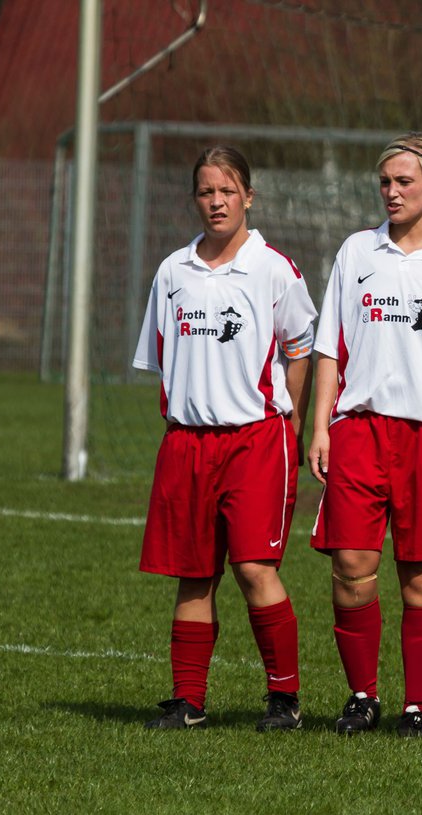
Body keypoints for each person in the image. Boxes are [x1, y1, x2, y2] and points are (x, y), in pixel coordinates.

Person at [309, 132, 422, 738]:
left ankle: (418, 708)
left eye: (405, 181)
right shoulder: (357, 252)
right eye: (385, 182)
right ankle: (362, 696)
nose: (392, 192)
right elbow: (329, 345)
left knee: (421, 574)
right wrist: (320, 428)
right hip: (358, 430)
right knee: (351, 565)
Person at [133, 145, 316, 731]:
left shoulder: (273, 269)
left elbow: (300, 348)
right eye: (207, 192)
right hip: (187, 443)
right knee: (193, 574)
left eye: (227, 191)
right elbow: (163, 361)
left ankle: (284, 700)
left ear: (248, 197)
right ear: (195, 200)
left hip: (256, 440)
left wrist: (290, 417)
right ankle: (189, 702)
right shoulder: (172, 272)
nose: (217, 202)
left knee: (255, 569)